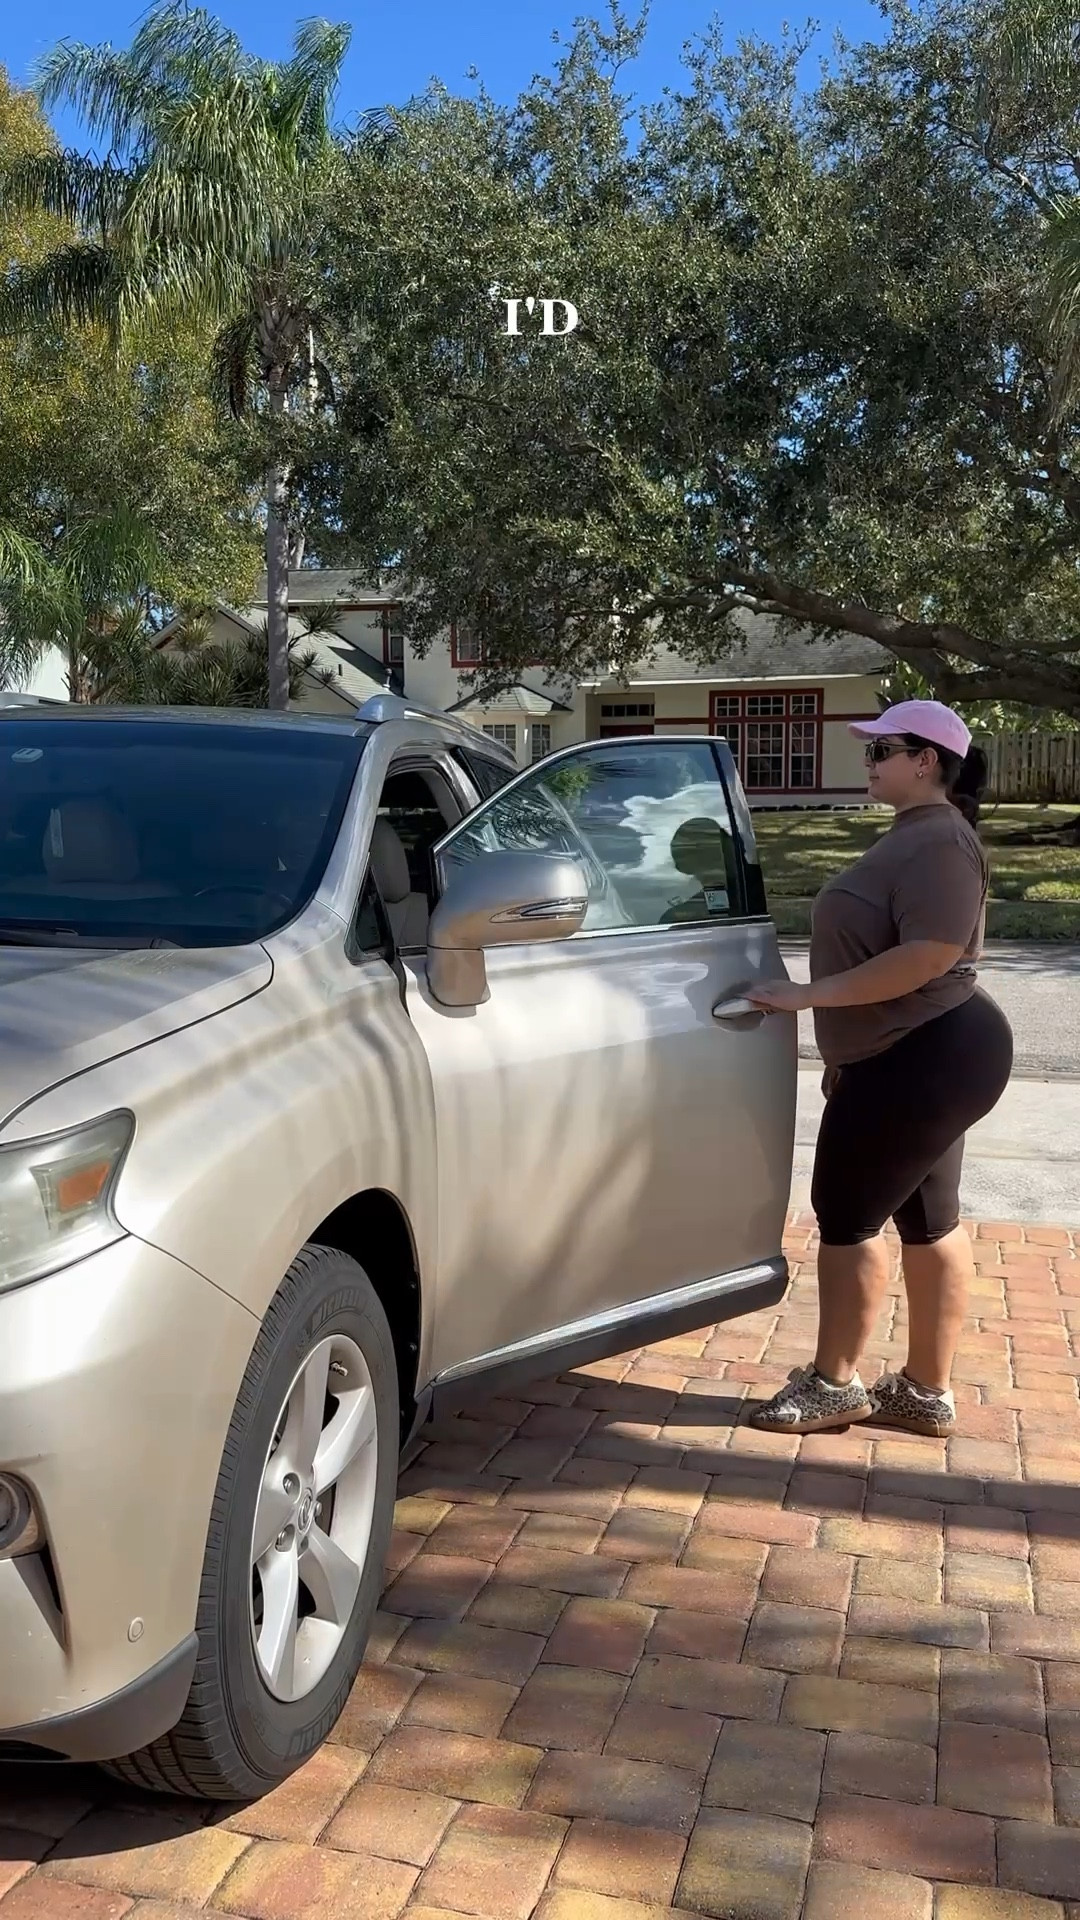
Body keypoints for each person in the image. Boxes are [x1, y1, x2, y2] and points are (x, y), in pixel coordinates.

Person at [745, 698, 1013, 1437]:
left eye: (879, 750)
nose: (867, 762)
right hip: (921, 1050)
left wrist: (807, 996)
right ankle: (924, 1391)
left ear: (925, 760)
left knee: (847, 1215)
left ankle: (836, 1386)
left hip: (924, 1051)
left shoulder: (940, 844)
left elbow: (928, 955)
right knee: (928, 1220)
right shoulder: (919, 836)